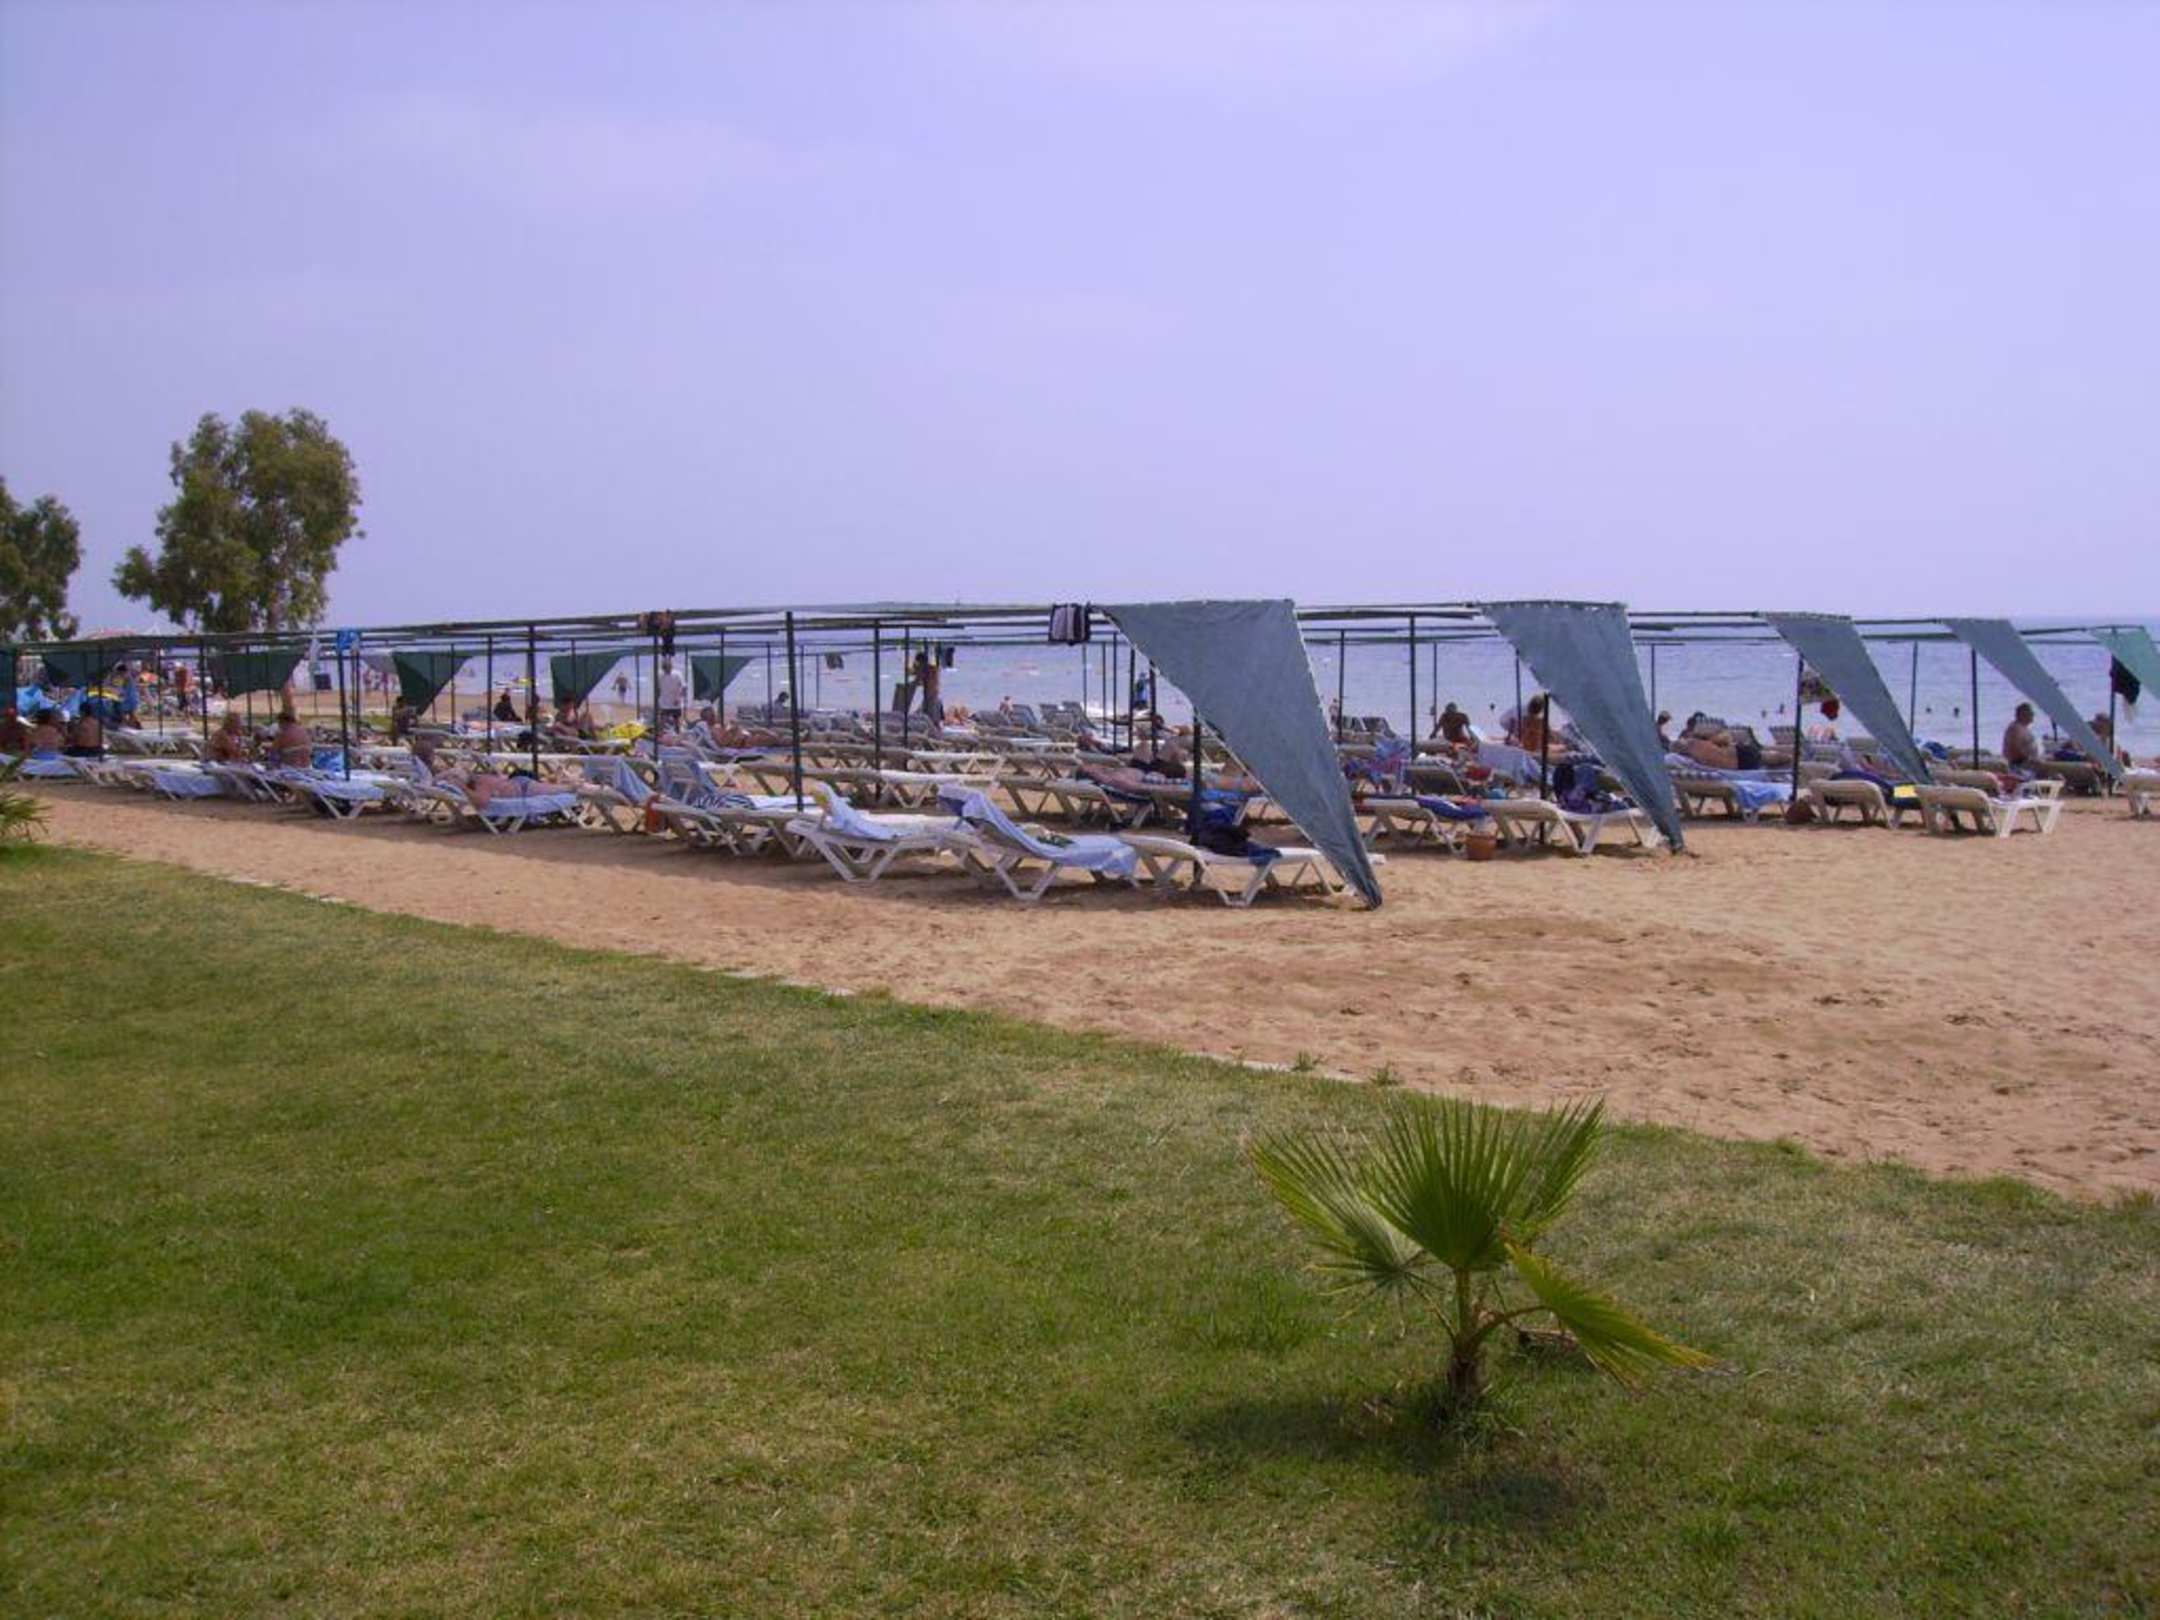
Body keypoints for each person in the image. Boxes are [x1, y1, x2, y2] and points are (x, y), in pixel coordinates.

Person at [2002, 702, 2041, 775]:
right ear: (2023, 715)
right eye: (2031, 714)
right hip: (2020, 766)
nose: (2033, 716)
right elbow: (2015, 747)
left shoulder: (2022, 727)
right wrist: (2029, 758)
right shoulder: (2016, 728)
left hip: (2026, 764)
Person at [657, 658, 686, 729]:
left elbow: (683, 687)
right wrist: (658, 699)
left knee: (677, 721)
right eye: (665, 668)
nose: (666, 670)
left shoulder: (677, 674)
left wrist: (678, 698)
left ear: (671, 666)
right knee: (662, 721)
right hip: (664, 702)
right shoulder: (660, 675)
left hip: (675, 702)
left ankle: (678, 732)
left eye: (668, 667)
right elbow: (658, 688)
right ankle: (661, 733)